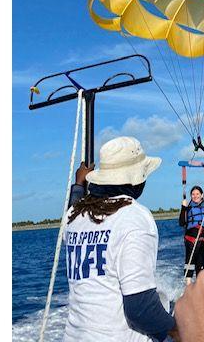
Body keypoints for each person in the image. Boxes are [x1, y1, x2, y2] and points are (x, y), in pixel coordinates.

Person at [64, 136, 179, 342]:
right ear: (137, 179)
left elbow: (75, 204)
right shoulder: (134, 217)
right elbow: (140, 308)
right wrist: (180, 332)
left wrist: (79, 184)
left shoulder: (74, 216)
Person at [179, 185, 204, 283]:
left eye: (197, 194)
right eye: (193, 194)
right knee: (191, 257)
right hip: (190, 238)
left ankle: (199, 283)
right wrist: (183, 208)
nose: (195, 196)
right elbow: (181, 223)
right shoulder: (188, 207)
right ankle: (188, 284)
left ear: (202, 195)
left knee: (200, 258)